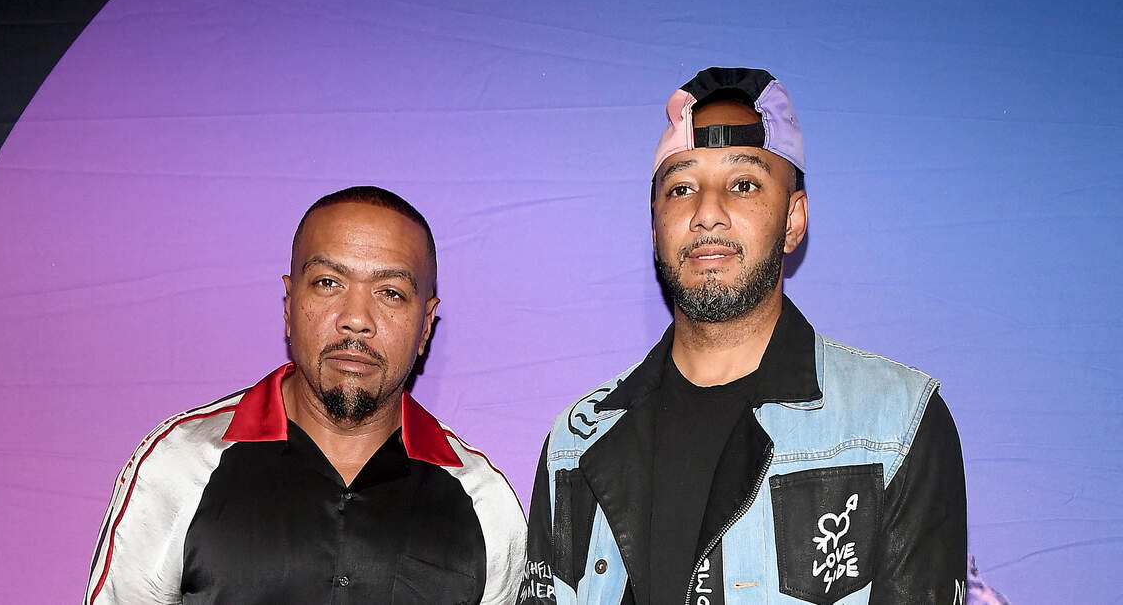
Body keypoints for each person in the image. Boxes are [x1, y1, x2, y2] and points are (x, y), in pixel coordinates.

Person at [519, 68, 966, 604]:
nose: (707, 212)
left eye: (743, 185)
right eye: (681, 188)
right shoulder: (576, 441)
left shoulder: (897, 424)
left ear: (793, 220)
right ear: (656, 227)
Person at [85, 186, 526, 604]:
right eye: (328, 283)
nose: (356, 319)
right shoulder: (180, 464)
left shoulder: (484, 502)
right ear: (288, 303)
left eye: (390, 292)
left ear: (426, 325)